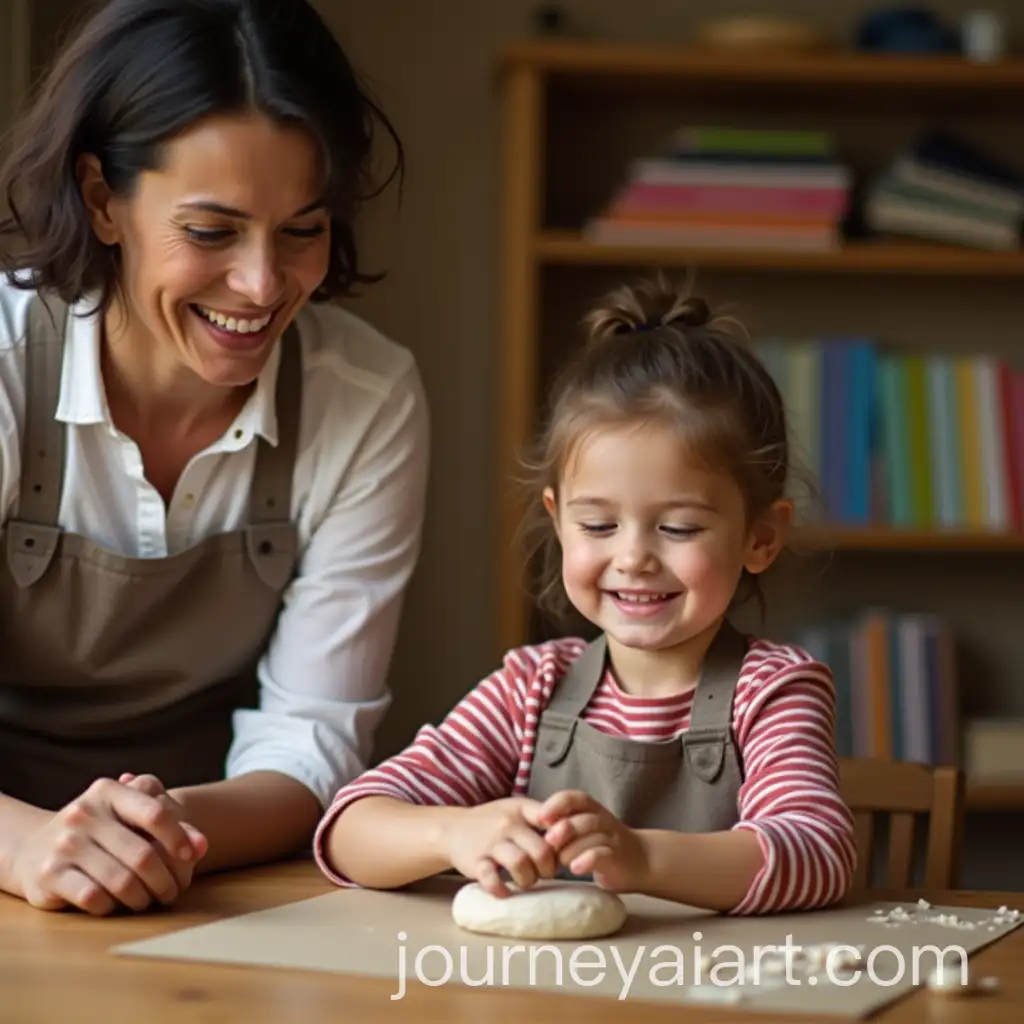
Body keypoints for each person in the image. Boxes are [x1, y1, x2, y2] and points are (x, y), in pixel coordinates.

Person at [0, 0, 429, 916]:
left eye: (303, 229)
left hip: (204, 875)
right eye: (210, 232)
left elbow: (312, 737)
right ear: (102, 198)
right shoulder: (3, 369)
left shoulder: (367, 400)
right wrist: (31, 842)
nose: (263, 285)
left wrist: (152, 835)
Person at [313, 276, 856, 915]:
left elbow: (819, 851)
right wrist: (451, 832)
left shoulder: (772, 691)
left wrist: (644, 860)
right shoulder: (529, 689)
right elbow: (348, 829)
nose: (632, 558)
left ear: (760, 537)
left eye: (678, 527)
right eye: (597, 525)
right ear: (558, 517)